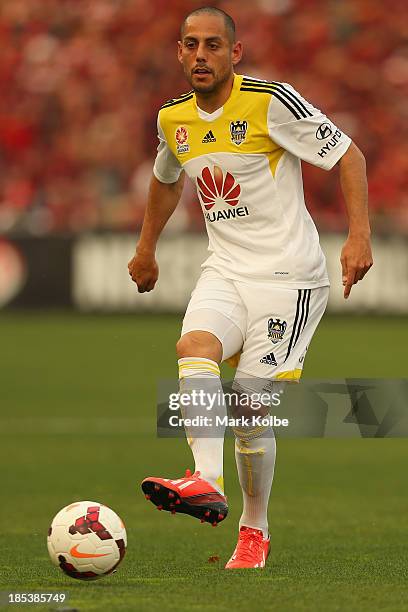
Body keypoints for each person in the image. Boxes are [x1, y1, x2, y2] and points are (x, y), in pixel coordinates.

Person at [128, 7, 373, 569]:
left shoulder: (270, 101)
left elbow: (350, 156)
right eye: (190, 45)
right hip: (227, 270)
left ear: (234, 54)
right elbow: (166, 180)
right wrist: (146, 249)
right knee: (193, 349)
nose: (200, 56)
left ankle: (254, 529)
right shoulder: (173, 120)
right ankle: (203, 481)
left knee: (249, 410)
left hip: (291, 279)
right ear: (178, 52)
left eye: (213, 46)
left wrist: (358, 238)